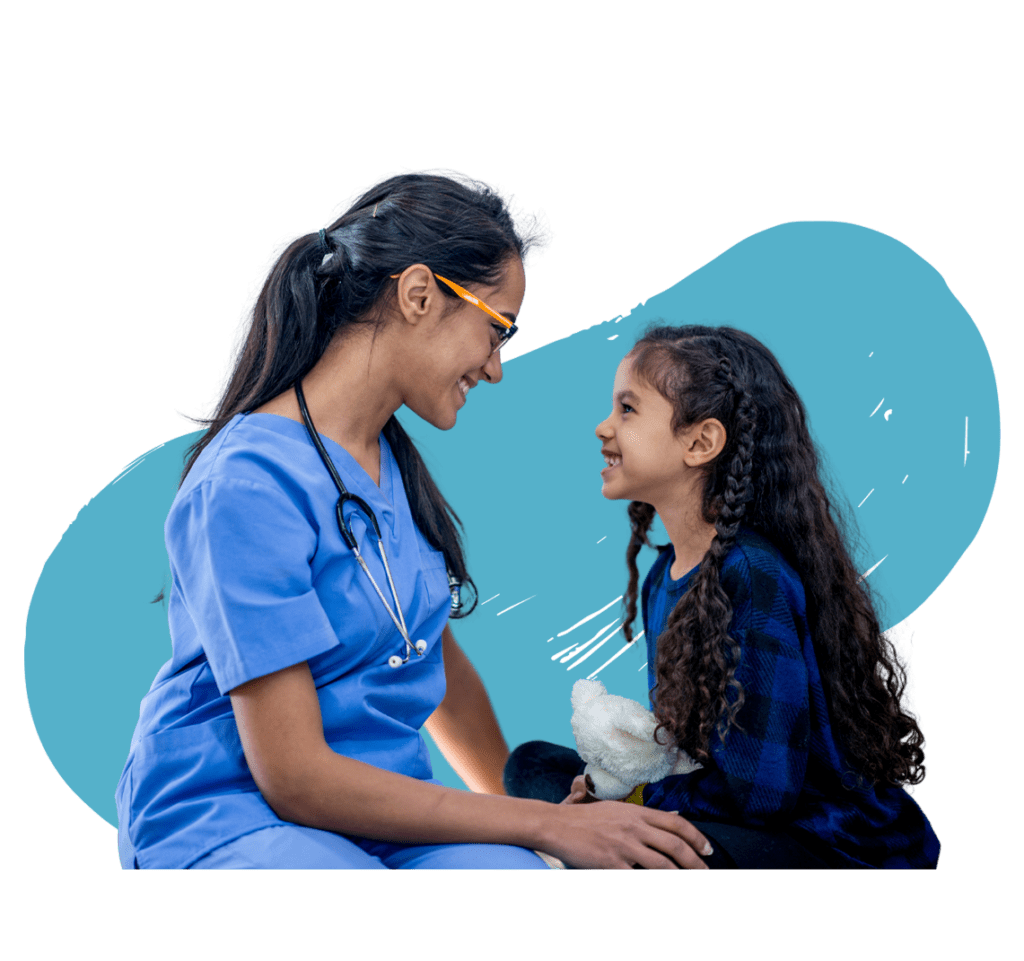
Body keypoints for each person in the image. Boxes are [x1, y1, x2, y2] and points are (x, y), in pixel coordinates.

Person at [115, 170, 715, 871]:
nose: (496, 369)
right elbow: (294, 776)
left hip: (381, 816)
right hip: (234, 812)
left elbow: (436, 667)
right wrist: (536, 825)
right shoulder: (247, 483)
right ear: (420, 294)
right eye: (497, 331)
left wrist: (548, 828)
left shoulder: (391, 467)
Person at [505, 324, 941, 869]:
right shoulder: (662, 576)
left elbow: (762, 795)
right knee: (531, 767)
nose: (603, 427)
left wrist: (630, 802)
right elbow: (685, 752)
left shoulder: (751, 575)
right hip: (725, 804)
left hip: (815, 837)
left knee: (640, 855)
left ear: (700, 442)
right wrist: (598, 795)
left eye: (628, 410)